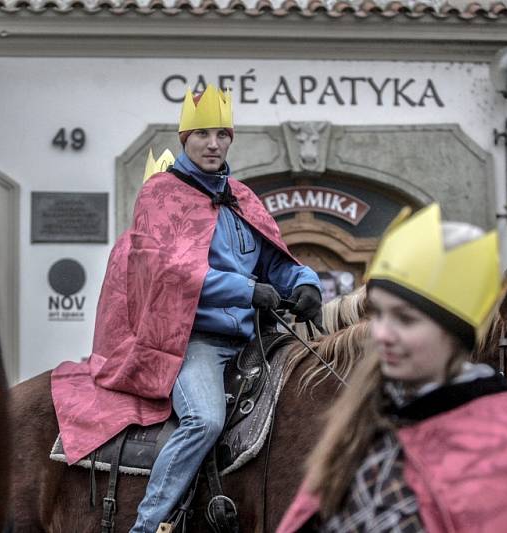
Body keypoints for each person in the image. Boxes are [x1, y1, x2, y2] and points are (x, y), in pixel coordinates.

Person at [51, 84, 321, 533]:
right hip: (189, 341)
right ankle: (149, 522)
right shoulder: (160, 194)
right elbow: (166, 269)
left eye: (221, 134)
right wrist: (245, 290)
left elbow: (277, 260)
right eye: (202, 134)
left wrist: (305, 283)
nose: (213, 143)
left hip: (255, 341)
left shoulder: (243, 198)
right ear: (185, 139)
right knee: (205, 418)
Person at [277, 204, 507, 533]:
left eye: (405, 319)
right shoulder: (359, 417)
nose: (381, 334)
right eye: (379, 314)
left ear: (453, 337)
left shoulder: (506, 441)